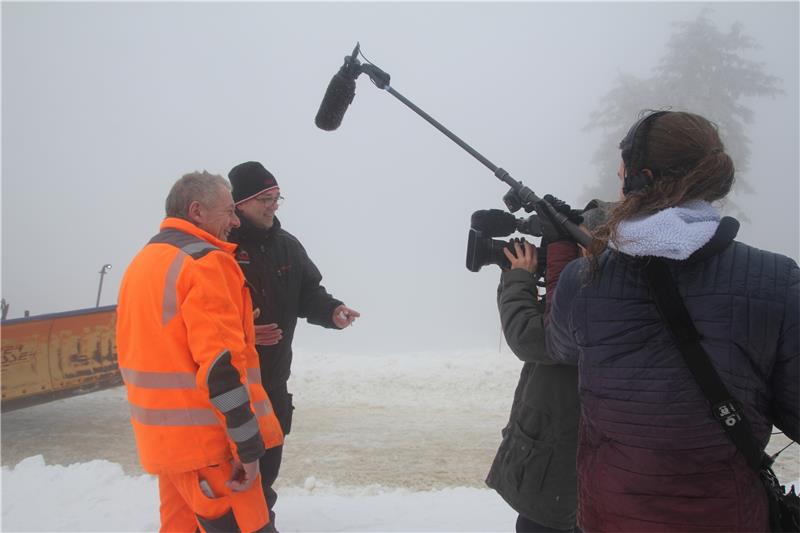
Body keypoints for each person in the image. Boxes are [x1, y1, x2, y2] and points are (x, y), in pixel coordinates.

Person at [543, 110, 799, 531]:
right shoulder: (778, 279)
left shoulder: (583, 279)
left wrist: (561, 255)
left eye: (621, 173)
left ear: (641, 179)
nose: (616, 182)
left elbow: (559, 345)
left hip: (610, 519)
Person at [116, 171, 284, 533]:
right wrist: (247, 448)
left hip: (168, 446)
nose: (235, 221)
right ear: (197, 211)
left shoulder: (145, 262)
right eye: (229, 211)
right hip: (212, 449)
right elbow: (221, 369)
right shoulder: (205, 264)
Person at [227, 161, 360, 526]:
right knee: (231, 483)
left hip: (272, 385)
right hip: (231, 389)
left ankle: (260, 522)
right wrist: (246, 333)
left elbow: (308, 293)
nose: (272, 205)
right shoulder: (221, 249)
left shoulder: (287, 246)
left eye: (276, 198)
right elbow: (203, 317)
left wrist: (332, 311)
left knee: (265, 478)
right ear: (239, 203)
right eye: (264, 199)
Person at [486, 200, 610, 533]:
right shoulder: (610, 288)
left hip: (560, 467)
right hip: (572, 460)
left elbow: (529, 338)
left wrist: (518, 279)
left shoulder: (596, 295)